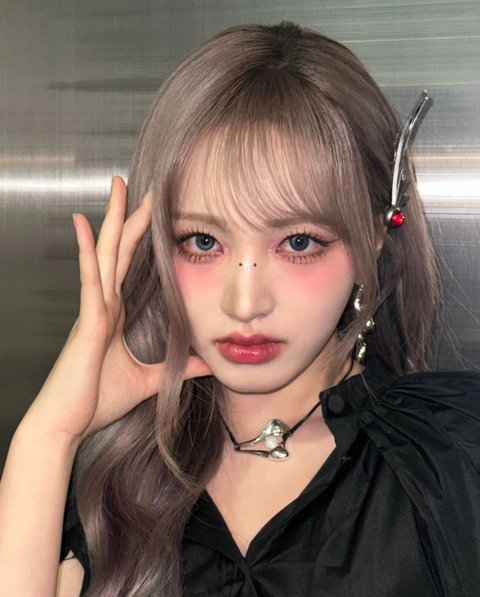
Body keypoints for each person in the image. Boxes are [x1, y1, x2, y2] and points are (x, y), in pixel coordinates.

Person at [0, 21, 479, 597]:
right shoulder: (107, 488)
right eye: (203, 241)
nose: (245, 302)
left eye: (298, 242)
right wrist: (49, 435)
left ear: (374, 237)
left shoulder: (457, 457)